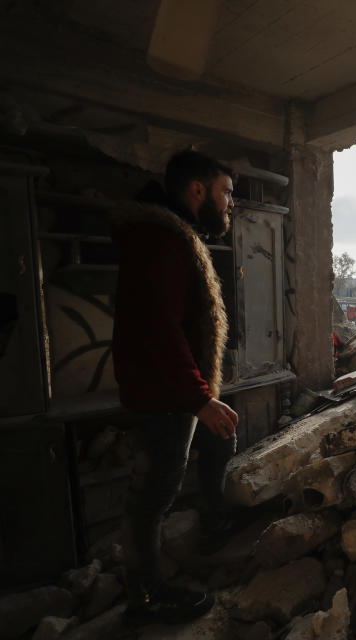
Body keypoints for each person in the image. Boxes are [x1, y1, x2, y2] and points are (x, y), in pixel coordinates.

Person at [112, 149, 239, 624]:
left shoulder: (168, 235)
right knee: (154, 495)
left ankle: (213, 525)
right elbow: (159, 330)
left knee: (222, 436)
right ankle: (146, 597)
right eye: (226, 192)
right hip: (165, 396)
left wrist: (201, 398)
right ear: (198, 190)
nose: (230, 203)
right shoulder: (163, 241)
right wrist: (199, 398)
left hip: (174, 391)